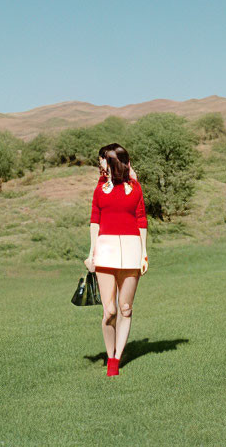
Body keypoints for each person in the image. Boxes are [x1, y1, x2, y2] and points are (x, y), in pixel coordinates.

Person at [84, 143, 148, 377]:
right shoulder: (100, 188)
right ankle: (109, 353)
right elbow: (94, 221)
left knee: (126, 308)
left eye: (102, 158)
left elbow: (141, 220)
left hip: (131, 251)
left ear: (113, 161)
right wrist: (92, 253)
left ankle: (115, 360)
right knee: (109, 311)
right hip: (106, 250)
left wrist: (143, 253)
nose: (99, 162)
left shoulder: (135, 187)